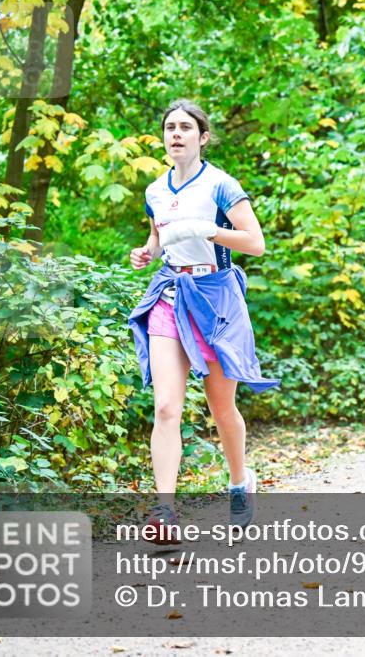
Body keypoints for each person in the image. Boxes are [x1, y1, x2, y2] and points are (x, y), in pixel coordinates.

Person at [127, 99, 279, 543]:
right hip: (171, 295)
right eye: (170, 127)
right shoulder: (156, 190)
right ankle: (165, 514)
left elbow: (255, 243)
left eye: (186, 128)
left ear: (203, 137)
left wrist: (206, 229)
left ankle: (239, 482)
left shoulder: (221, 185)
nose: (176, 134)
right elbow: (158, 238)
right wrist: (147, 253)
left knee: (220, 406)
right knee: (166, 407)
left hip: (215, 299)